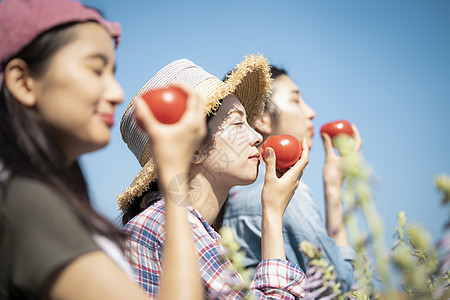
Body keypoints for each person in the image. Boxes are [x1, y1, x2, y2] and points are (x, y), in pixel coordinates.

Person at [0, 0, 203, 299]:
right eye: (96, 70)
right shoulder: (26, 201)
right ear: (23, 82)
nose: (117, 93)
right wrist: (173, 170)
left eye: (112, 72)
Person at [118, 55, 310, 299]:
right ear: (194, 147)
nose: (257, 137)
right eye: (238, 123)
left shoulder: (192, 229)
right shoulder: (168, 223)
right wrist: (272, 214)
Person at [222, 65, 362, 292]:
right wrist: (333, 193)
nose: (311, 112)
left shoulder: (232, 198)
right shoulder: (289, 199)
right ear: (263, 118)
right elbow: (340, 286)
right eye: (296, 100)